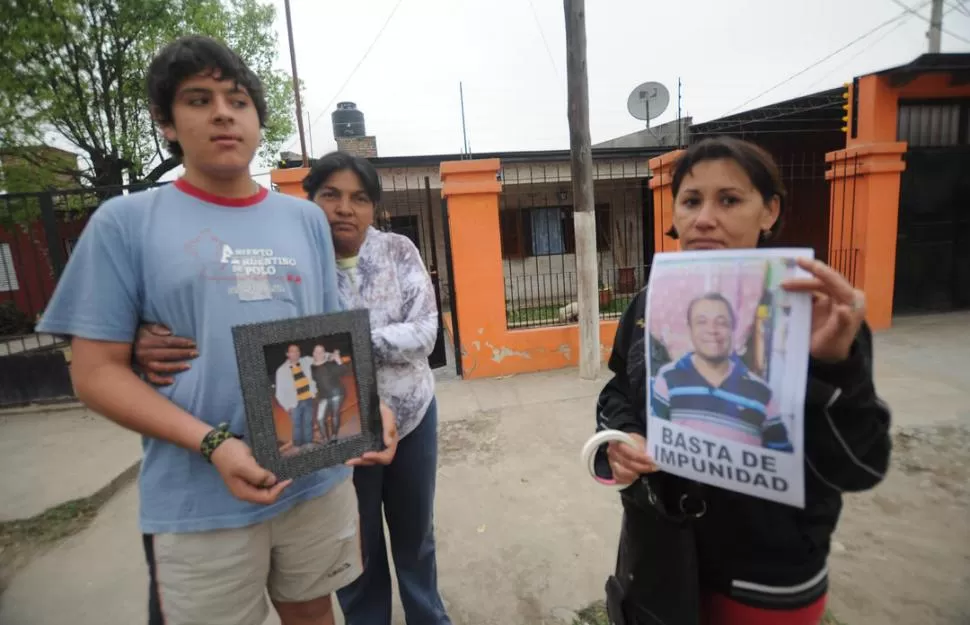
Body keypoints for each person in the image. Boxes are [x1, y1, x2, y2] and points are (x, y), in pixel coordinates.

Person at [34, 35, 397, 625]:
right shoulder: (125, 223)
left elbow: (329, 338)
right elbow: (94, 374)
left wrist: (367, 404)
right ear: (167, 122)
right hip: (198, 497)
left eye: (238, 100)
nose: (223, 114)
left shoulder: (304, 220)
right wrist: (214, 445)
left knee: (315, 615)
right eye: (199, 100)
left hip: (314, 481)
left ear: (256, 118)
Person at [134, 151, 451, 625]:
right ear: (309, 200)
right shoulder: (290, 260)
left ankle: (429, 617)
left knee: (415, 535)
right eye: (330, 195)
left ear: (373, 208)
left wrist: (342, 342)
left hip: (411, 415)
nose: (344, 209)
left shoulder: (397, 250)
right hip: (333, 424)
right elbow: (245, 323)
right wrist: (139, 336)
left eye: (359, 198)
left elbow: (425, 333)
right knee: (354, 545)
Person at [594, 137, 891, 625]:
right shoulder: (649, 303)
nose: (704, 218)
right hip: (662, 559)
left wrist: (833, 368)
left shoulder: (814, 314)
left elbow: (858, 467)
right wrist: (622, 438)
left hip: (764, 582)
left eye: (729, 200)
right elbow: (619, 391)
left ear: (769, 211)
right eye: (691, 201)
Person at [652, 292, 792, 452]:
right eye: (701, 322)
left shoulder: (762, 392)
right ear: (690, 329)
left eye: (721, 322)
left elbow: (781, 453)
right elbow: (656, 443)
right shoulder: (668, 378)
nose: (712, 330)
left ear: (733, 329)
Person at [276, 344, 318, 446]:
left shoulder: (306, 361)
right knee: (297, 425)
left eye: (297, 351)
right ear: (287, 354)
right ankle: (298, 446)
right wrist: (287, 406)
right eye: (292, 351)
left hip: (308, 399)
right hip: (294, 403)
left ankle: (308, 444)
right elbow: (279, 393)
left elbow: (320, 356)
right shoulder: (281, 370)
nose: (295, 353)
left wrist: (333, 355)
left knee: (308, 423)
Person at [310, 345, 348, 442]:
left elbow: (343, 371)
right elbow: (314, 382)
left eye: (321, 352)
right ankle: (325, 439)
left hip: (336, 393)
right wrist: (313, 392)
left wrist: (338, 360)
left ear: (324, 353)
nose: (319, 354)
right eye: (316, 351)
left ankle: (334, 436)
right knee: (320, 419)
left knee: (334, 415)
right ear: (313, 353)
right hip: (323, 396)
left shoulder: (330, 364)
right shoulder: (311, 367)